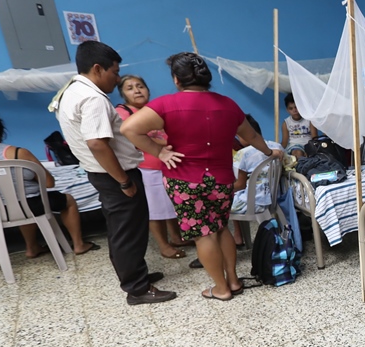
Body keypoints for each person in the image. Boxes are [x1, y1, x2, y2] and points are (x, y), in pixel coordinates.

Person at [121, 52, 282, 301]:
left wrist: (159, 152)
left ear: (177, 79)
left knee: (203, 234)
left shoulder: (165, 105)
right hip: (222, 179)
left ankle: (221, 288)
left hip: (184, 181)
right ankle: (234, 280)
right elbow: (250, 136)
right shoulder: (228, 104)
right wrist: (269, 152)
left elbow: (129, 128)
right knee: (221, 228)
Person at [55, 41, 175, 305]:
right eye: (115, 72)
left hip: (101, 173)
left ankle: (136, 275)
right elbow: (97, 144)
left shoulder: (71, 91)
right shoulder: (93, 98)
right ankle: (137, 289)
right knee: (127, 232)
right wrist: (123, 181)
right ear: (98, 69)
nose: (117, 78)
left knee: (123, 229)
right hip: (115, 175)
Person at [0, 111, 98, 257]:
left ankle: (32, 247)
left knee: (17, 204)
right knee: (66, 200)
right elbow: (49, 183)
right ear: (0, 130)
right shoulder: (19, 153)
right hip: (30, 206)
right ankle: (79, 244)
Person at [116, 75, 192, 259]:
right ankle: (164, 246)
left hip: (167, 164)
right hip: (146, 167)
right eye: (130, 88)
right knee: (155, 208)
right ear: (123, 94)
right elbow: (131, 137)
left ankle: (176, 237)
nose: (137, 90)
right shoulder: (123, 112)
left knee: (169, 204)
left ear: (148, 90)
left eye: (140, 86)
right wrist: (166, 142)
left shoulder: (154, 109)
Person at [231, 116, 284, 215]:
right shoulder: (277, 147)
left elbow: (240, 185)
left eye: (239, 137)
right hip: (275, 199)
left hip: (251, 202)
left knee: (218, 203)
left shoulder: (243, 154)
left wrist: (220, 190)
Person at [281, 93, 317, 158]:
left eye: (296, 107)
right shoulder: (286, 123)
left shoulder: (309, 120)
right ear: (287, 110)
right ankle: (300, 163)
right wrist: (278, 150)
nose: (294, 110)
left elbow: (315, 138)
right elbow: (284, 143)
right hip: (294, 147)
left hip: (309, 146)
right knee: (298, 152)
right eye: (291, 108)